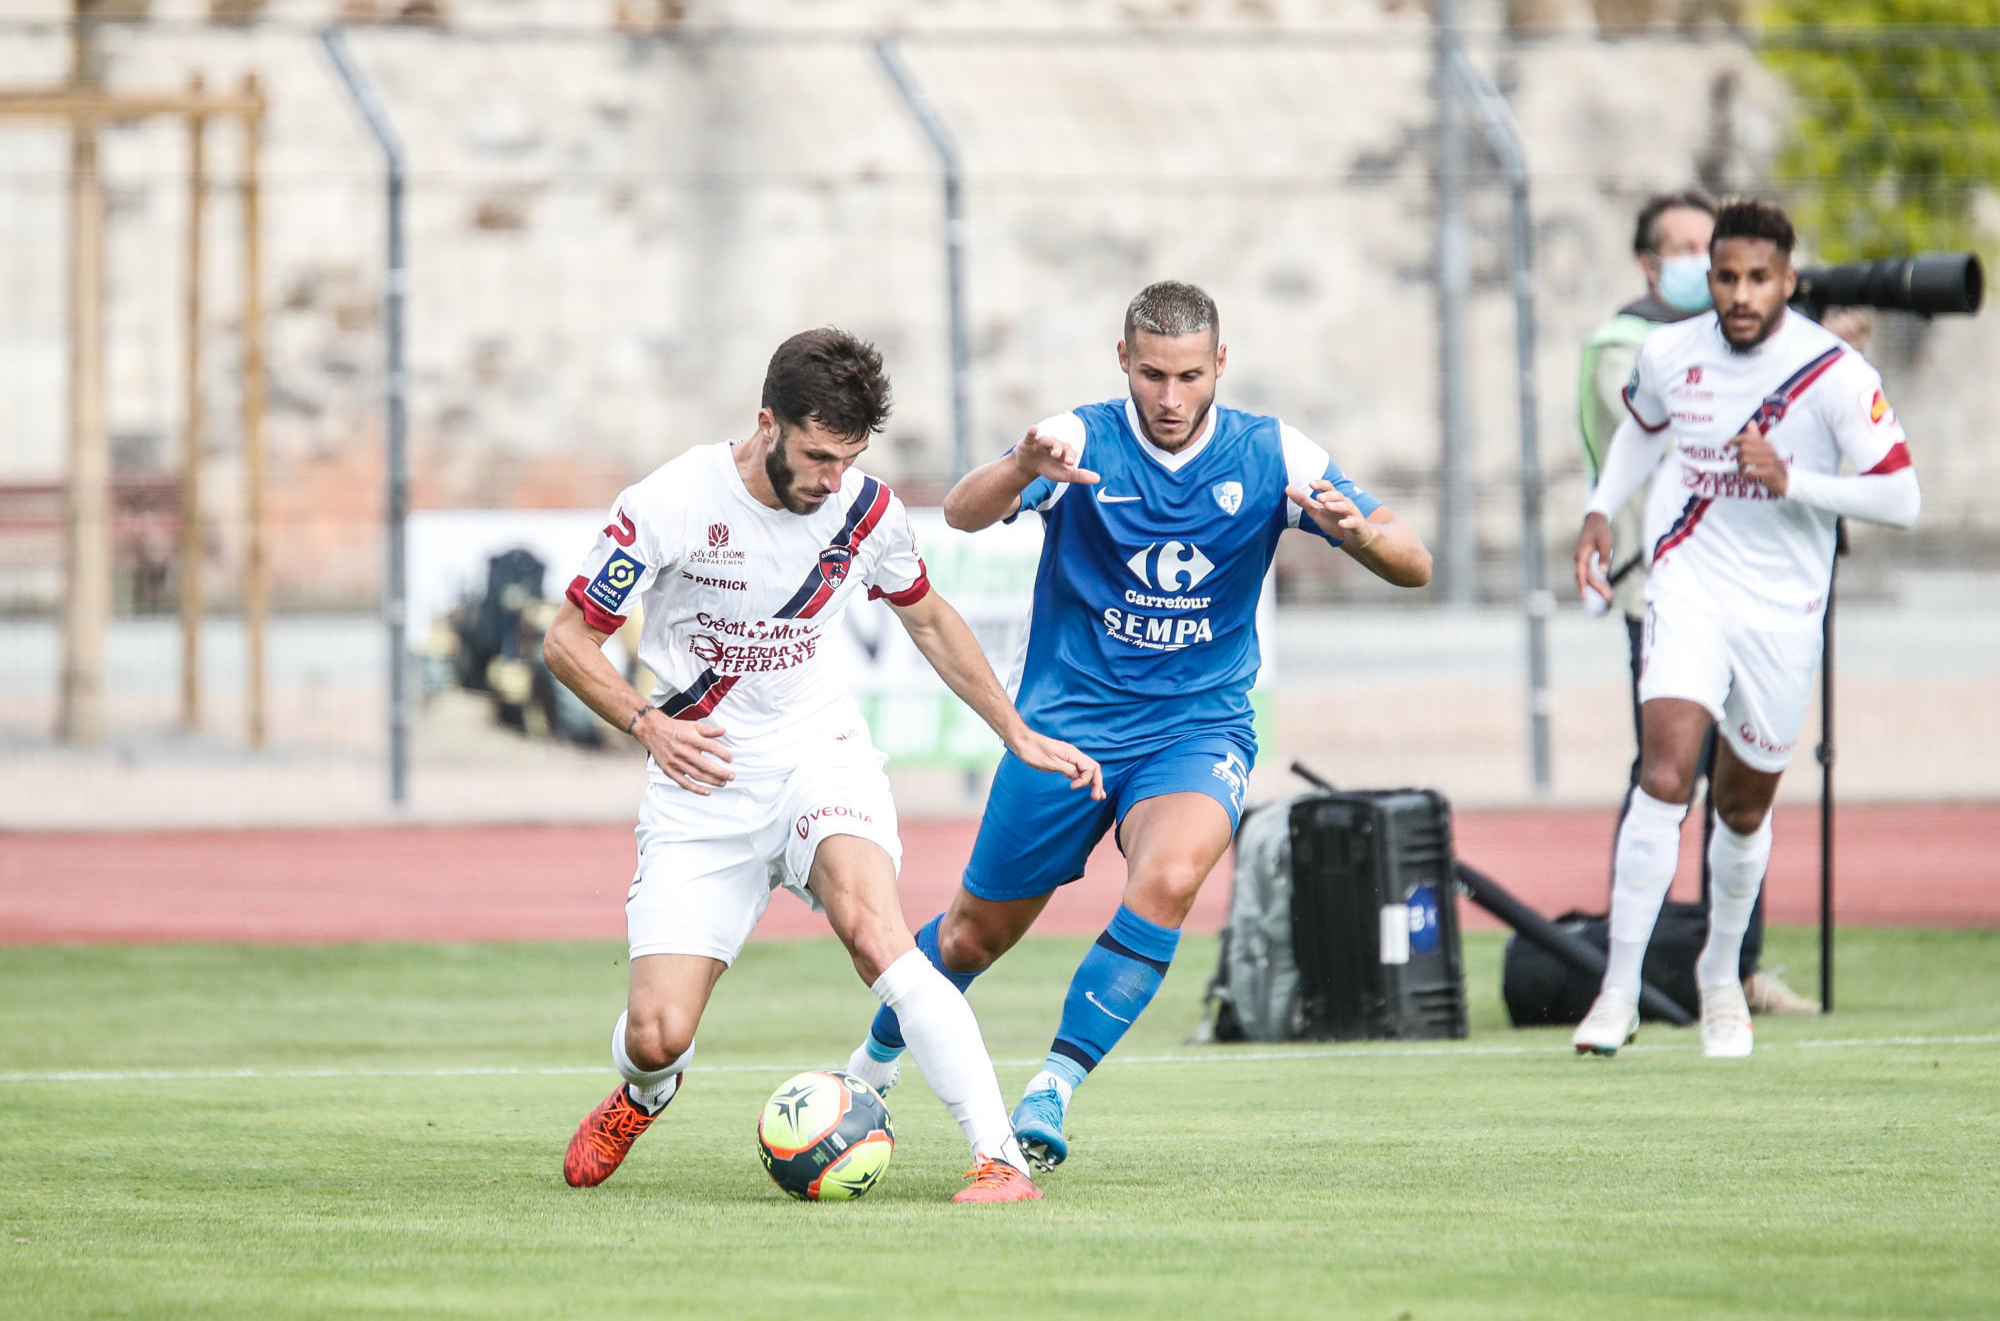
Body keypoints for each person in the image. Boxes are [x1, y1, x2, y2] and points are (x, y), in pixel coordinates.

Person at [842, 281, 1431, 1168]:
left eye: (1190, 375)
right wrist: (1021, 468)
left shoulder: (1273, 453)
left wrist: (1364, 534)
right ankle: (870, 1067)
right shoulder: (1080, 440)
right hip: (1067, 729)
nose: (1170, 396)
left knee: (1169, 876)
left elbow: (1413, 562)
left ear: (1219, 366)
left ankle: (1052, 1089)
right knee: (970, 934)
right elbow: (960, 515)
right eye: (1152, 374)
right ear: (1124, 361)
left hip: (1198, 727)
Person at [544, 327, 1106, 1203]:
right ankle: (645, 1092)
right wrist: (646, 723)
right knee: (657, 1032)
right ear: (767, 424)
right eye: (815, 457)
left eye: (847, 459)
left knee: (880, 936)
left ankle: (999, 1157)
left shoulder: (867, 512)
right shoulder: (670, 501)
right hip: (701, 782)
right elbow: (566, 639)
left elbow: (929, 619)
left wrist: (1014, 730)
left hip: (819, 759)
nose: (830, 480)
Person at [1571, 200, 1919, 1059]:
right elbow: (1640, 437)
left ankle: (1722, 976)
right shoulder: (1667, 352)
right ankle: (1617, 992)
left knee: (1741, 803)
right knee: (1663, 769)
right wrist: (1598, 510)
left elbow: (1902, 498)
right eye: (1725, 275)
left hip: (1783, 611)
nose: (1737, 292)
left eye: (1757, 278)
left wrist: (1796, 480)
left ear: (1787, 282)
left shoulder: (1832, 371)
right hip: (1686, 583)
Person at [1579, 192, 1816, 1016]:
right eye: (1687, 251)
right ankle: (1628, 973)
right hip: (1665, 586)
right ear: (1655, 265)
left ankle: (1734, 965)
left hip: (1760, 594)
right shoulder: (1625, 346)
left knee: (1742, 783)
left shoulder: (1774, 351)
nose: (1713, 275)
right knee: (1666, 771)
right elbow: (1669, 435)